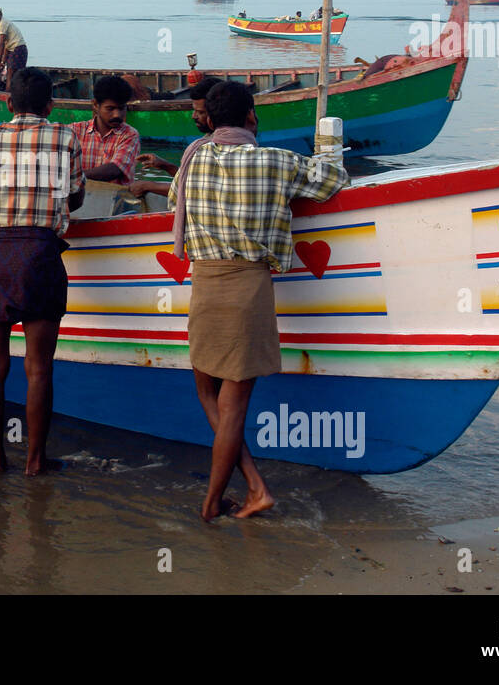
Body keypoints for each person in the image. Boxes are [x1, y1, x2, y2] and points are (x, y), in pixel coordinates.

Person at [168, 81, 347, 521]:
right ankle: (233, 496)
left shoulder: (193, 159)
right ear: (252, 117)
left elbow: (176, 201)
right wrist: (327, 143)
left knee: (206, 389)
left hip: (205, 283)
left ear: (208, 121)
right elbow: (332, 181)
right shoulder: (277, 161)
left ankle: (239, 492)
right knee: (232, 406)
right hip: (248, 287)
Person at [0, 68, 84, 475]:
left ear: (7, 103)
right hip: (39, 252)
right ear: (50, 106)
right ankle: (35, 460)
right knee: (39, 367)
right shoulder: (65, 137)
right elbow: (76, 197)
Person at [128, 77, 222, 198]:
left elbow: (195, 189)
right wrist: (165, 166)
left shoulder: (212, 147)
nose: (194, 116)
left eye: (200, 112)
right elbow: (190, 180)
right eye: (194, 111)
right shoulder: (210, 138)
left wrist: (148, 186)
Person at [69, 75, 141, 184]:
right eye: (110, 109)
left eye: (122, 108)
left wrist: (74, 177)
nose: (117, 115)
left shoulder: (130, 135)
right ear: (95, 105)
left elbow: (115, 170)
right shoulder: (74, 130)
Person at [0, 5, 27, 89]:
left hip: (18, 49)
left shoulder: (3, 23)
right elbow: (6, 45)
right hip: (16, 49)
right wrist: (3, 61)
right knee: (14, 73)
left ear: (1, 14)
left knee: (10, 74)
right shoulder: (0, 24)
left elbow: (1, 43)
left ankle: (8, 94)